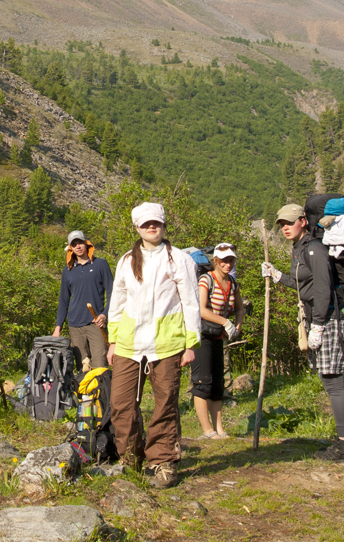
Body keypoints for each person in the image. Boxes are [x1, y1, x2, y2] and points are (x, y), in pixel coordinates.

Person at [105, 202, 202, 488]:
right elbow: (117, 302)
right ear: (136, 227)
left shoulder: (180, 259)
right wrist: (113, 341)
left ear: (163, 225)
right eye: (146, 223)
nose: (151, 227)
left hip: (167, 344)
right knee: (120, 404)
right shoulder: (126, 260)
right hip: (128, 343)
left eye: (156, 223)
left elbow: (191, 302)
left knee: (165, 404)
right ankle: (130, 460)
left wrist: (191, 344)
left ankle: (163, 462)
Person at [263, 203, 344, 464]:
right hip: (319, 318)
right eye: (282, 224)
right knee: (330, 381)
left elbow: (323, 288)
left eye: (290, 222)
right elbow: (302, 284)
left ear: (303, 221)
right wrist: (277, 275)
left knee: (333, 382)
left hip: (328, 318)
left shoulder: (315, 248)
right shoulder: (300, 249)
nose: (285, 227)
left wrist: (317, 324)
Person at [193, 242, 245, 438]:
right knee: (202, 382)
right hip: (202, 336)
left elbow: (240, 308)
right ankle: (207, 430)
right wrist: (225, 322)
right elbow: (201, 309)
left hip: (219, 336)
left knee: (217, 384)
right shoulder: (206, 280)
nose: (227, 264)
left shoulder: (232, 283)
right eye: (223, 260)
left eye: (230, 260)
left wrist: (237, 326)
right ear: (215, 261)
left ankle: (219, 428)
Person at [53, 230, 114, 372]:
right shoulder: (67, 270)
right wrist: (58, 328)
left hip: (96, 323)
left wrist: (104, 315)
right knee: (83, 367)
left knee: (100, 366)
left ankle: (100, 388)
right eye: (74, 244)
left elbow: (113, 293)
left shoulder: (100, 264)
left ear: (86, 244)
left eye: (80, 242)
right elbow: (64, 300)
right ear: (71, 248)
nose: (78, 246)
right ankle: (85, 388)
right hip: (75, 325)